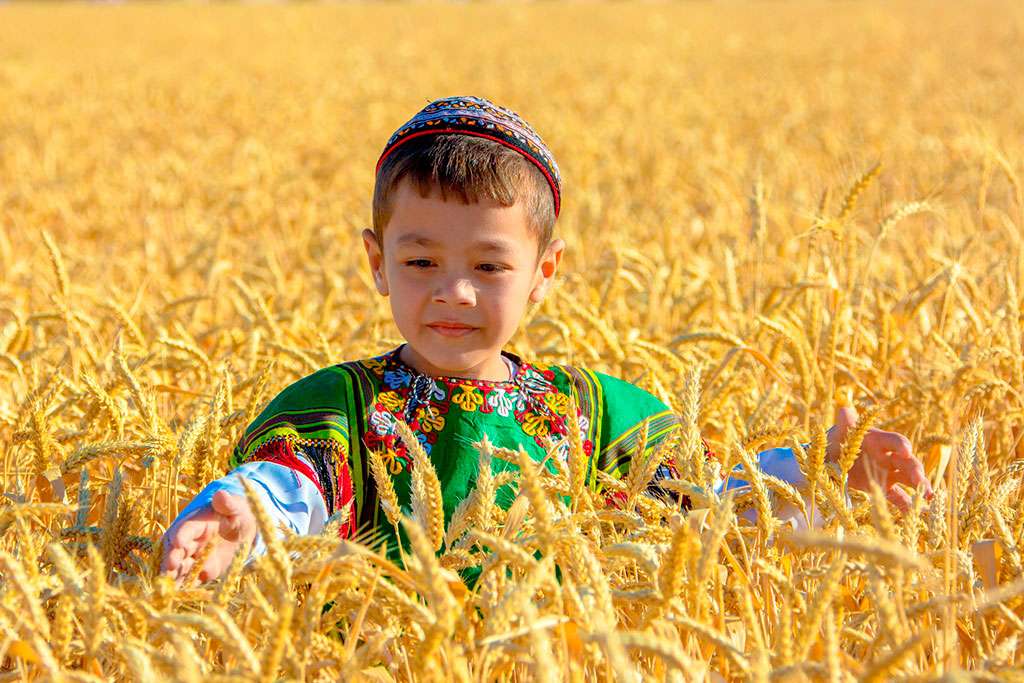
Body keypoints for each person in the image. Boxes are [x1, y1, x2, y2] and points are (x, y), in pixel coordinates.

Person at [160, 96, 932, 584]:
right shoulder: (343, 407)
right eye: (420, 259)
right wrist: (238, 512)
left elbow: (704, 510)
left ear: (544, 271)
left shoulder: (591, 416)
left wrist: (819, 475)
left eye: (489, 265)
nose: (453, 290)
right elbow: (292, 488)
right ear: (376, 262)